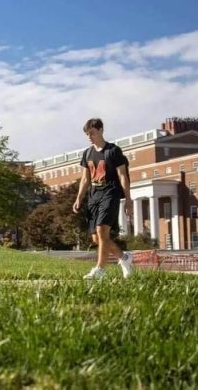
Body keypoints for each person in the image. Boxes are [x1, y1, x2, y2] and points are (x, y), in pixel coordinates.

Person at [72, 118, 134, 280]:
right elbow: (85, 179)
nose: (89, 136)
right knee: (97, 237)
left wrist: (128, 199)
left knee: (101, 231)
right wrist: (79, 198)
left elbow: (122, 175)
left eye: (92, 133)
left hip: (111, 191)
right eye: (87, 134)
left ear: (101, 130)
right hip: (94, 194)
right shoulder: (87, 153)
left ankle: (99, 270)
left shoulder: (113, 151)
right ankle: (124, 258)